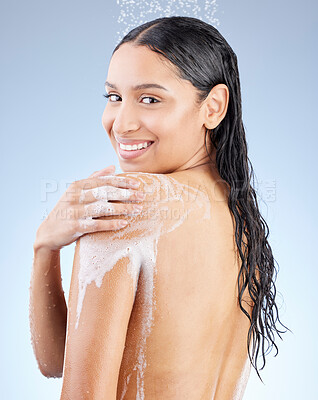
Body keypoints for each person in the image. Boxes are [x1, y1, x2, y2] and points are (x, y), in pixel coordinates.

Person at [29, 16, 288, 400]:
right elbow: (58, 361)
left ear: (213, 107)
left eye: (150, 99)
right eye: (114, 97)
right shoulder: (241, 221)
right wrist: (45, 247)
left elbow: (79, 390)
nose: (122, 124)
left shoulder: (127, 206)